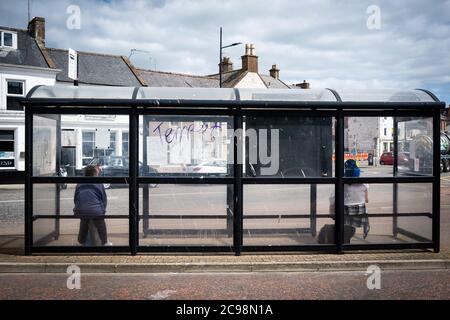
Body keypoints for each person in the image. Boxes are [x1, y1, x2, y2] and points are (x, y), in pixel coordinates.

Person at [73, 165, 111, 246]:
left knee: (84, 222)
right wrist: (102, 211)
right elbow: (104, 199)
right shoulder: (98, 183)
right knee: (101, 225)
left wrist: (78, 208)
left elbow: (76, 198)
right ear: (95, 173)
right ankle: (105, 242)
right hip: (96, 212)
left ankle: (80, 242)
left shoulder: (79, 183)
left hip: (81, 210)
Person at [343, 159, 370, 239]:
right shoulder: (364, 184)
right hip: (360, 210)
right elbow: (367, 200)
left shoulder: (344, 183)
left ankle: (348, 234)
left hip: (347, 209)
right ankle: (365, 229)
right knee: (364, 210)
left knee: (347, 223)